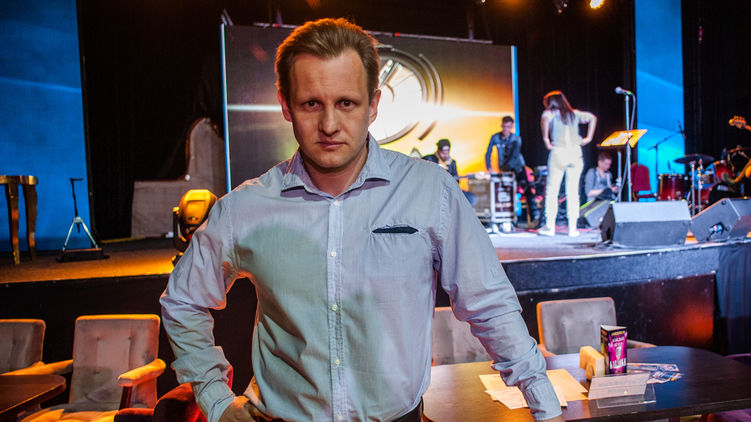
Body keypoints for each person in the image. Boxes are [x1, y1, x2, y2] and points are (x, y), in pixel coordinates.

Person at [160, 18, 562, 422]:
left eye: (346, 103)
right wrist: (215, 398)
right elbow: (183, 300)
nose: (329, 125)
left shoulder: (430, 191)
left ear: (373, 105)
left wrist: (542, 399)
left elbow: (488, 302)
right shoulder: (246, 207)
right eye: (311, 104)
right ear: (285, 105)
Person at [537, 90, 597, 237]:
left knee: (552, 189)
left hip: (559, 151)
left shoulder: (549, 113)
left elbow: (544, 120)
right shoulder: (574, 114)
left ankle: (550, 227)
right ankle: (573, 228)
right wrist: (588, 138)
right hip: (575, 152)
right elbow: (592, 118)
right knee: (573, 191)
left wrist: (546, 139)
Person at [485, 116, 540, 224]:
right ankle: (508, 218)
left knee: (527, 188)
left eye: (508, 127)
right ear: (502, 126)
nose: (506, 129)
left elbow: (514, 156)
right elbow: (488, 153)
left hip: (518, 167)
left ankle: (535, 215)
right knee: (505, 192)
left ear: (511, 127)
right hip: (504, 168)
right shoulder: (495, 137)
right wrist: (489, 168)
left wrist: (508, 171)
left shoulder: (516, 139)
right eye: (504, 126)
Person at [423, 138, 478, 206]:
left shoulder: (452, 162)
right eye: (443, 153)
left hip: (448, 191)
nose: (445, 155)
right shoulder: (428, 159)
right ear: (438, 151)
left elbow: (457, 181)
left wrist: (451, 180)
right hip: (433, 191)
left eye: (447, 152)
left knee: (471, 198)